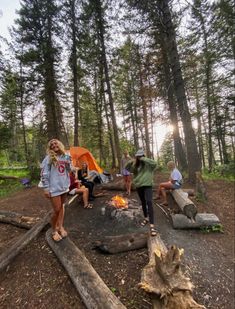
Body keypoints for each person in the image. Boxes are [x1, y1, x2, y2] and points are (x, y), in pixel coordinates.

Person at [40, 139, 73, 242]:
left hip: (64, 186)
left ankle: (60, 226)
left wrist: (72, 166)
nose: (54, 145)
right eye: (51, 144)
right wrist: (46, 188)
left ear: (60, 144)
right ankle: (54, 230)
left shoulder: (66, 156)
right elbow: (44, 174)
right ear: (50, 148)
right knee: (57, 210)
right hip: (54, 188)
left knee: (62, 207)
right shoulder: (48, 158)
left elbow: (69, 169)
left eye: (55, 143)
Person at [125, 149, 158, 236]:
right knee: (143, 202)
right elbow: (126, 167)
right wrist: (133, 160)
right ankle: (146, 218)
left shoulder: (149, 165)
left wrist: (143, 158)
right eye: (138, 156)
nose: (139, 158)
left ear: (144, 156)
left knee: (149, 202)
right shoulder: (135, 165)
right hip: (139, 186)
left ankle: (152, 225)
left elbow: (155, 164)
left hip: (148, 185)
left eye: (141, 156)